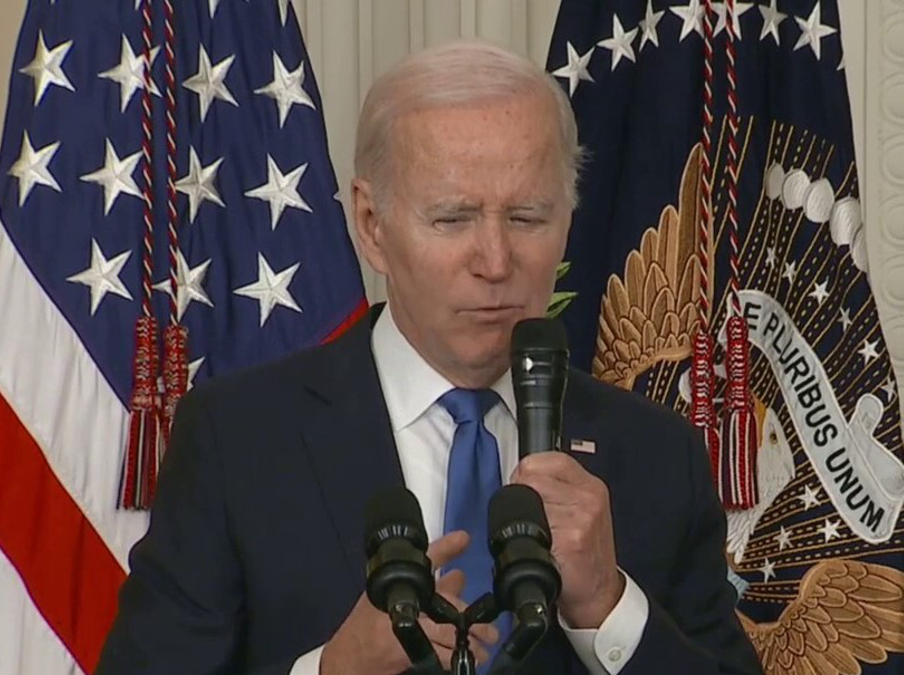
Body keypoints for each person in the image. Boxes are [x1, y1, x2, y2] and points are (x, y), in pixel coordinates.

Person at [96, 40, 762, 675]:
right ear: (371, 225)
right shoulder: (235, 440)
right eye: (453, 219)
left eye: (527, 217)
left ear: (568, 220)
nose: (496, 262)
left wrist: (609, 607)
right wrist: (334, 668)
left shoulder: (654, 454)